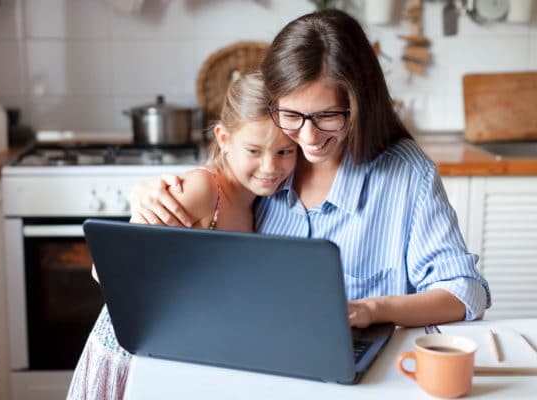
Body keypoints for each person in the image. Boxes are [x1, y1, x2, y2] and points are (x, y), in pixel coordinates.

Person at [129, 9, 491, 329]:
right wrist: (145, 195)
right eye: (291, 115)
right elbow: (213, 186)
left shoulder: (407, 174)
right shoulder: (274, 158)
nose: (309, 137)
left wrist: (373, 309)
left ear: (360, 104)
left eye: (328, 116)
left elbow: (465, 291)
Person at [66, 72, 298, 400]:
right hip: (132, 353)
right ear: (223, 138)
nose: (269, 166)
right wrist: (137, 217)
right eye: (254, 150)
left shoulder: (258, 202)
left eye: (285, 152)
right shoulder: (204, 191)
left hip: (181, 353)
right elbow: (105, 270)